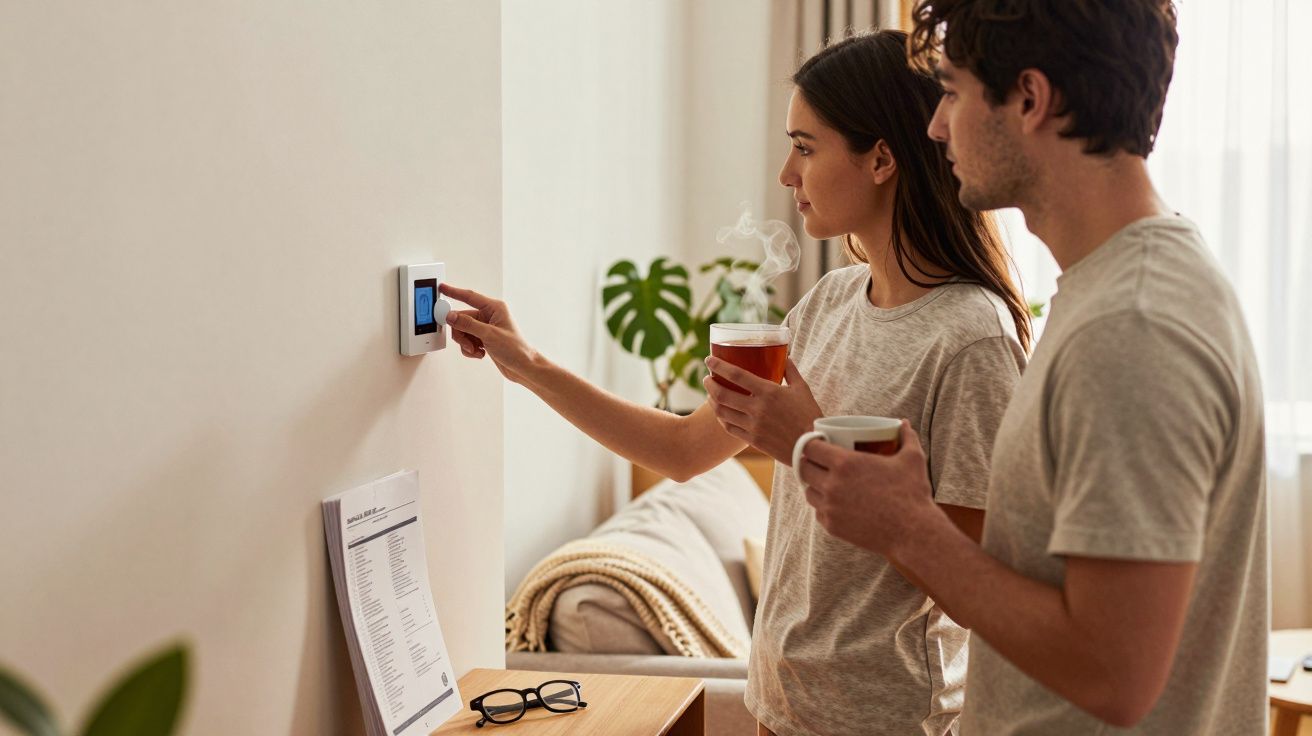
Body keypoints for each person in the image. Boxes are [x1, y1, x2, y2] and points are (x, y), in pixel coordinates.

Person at [444, 30, 1029, 736]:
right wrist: (528, 365)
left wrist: (806, 441)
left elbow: (976, 585)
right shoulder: (826, 306)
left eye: (806, 147)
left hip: (890, 722)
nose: (786, 173)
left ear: (880, 158)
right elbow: (684, 450)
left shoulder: (970, 336)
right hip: (780, 710)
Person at [793, 3, 1267, 734]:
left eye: (951, 91)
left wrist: (907, 528)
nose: (935, 126)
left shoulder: (1130, 328)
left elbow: (1115, 673)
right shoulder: (1114, 294)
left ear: (1030, 99)